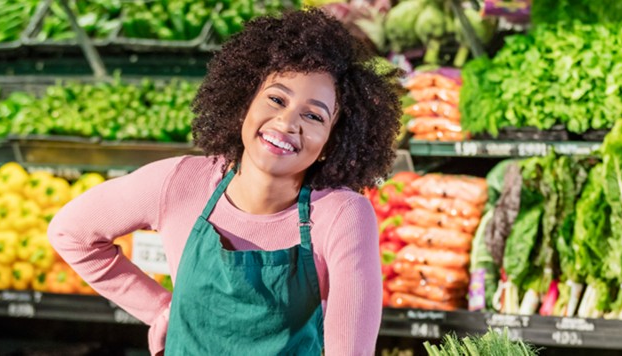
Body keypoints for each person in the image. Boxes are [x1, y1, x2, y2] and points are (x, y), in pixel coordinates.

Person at [48, 9, 402, 355]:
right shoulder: (179, 183)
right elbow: (71, 232)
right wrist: (159, 309)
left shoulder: (343, 215)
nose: (286, 122)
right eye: (276, 99)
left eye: (313, 116)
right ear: (244, 101)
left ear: (332, 141)